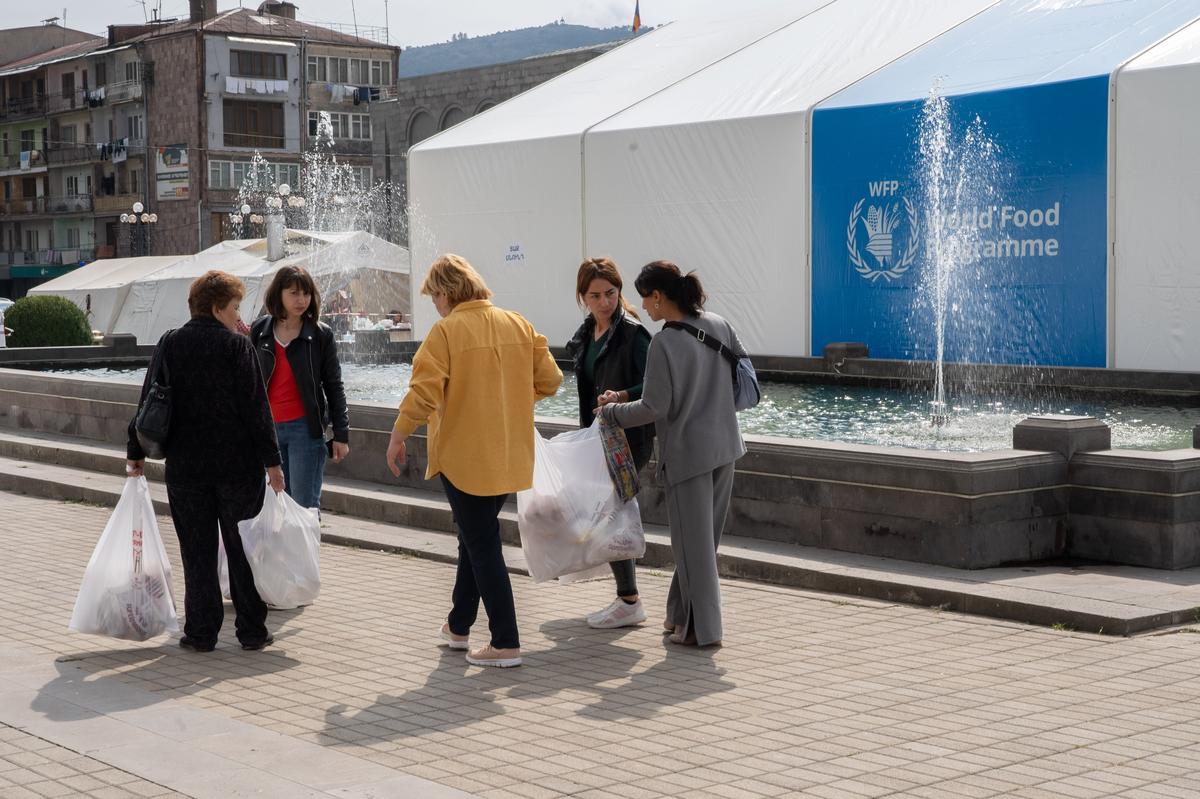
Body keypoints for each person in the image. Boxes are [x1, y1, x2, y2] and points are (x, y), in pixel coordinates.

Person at [386, 254, 561, 668]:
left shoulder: (446, 332)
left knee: (482, 545)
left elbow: (424, 392)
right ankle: (458, 626)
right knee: (473, 538)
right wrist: (508, 400)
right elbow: (551, 380)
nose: (435, 306)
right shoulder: (517, 323)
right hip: (508, 454)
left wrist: (398, 435)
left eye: (434, 298)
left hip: (464, 456)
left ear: (446, 292)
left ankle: (506, 641)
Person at [126, 270, 285, 653]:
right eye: (233, 307)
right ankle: (251, 631)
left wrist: (135, 454)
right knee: (241, 549)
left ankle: (200, 632)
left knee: (196, 552)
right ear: (216, 308)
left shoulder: (170, 343)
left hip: (186, 468)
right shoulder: (237, 347)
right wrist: (272, 462)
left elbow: (149, 400)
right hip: (236, 468)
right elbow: (256, 409)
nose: (237, 315)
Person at [597, 261, 746, 647]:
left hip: (688, 456)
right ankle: (678, 616)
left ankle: (703, 631)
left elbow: (653, 409)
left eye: (646, 300)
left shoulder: (664, 342)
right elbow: (742, 373)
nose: (643, 307)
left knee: (691, 547)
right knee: (703, 543)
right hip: (726, 447)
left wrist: (612, 412)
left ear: (659, 297)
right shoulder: (718, 324)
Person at [565, 257, 654, 629]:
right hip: (598, 436)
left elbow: (657, 386)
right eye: (595, 295)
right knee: (605, 512)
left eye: (611, 293)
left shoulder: (634, 334)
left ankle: (630, 600)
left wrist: (621, 396)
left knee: (611, 511)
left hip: (628, 436)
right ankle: (627, 598)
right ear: (583, 297)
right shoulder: (587, 334)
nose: (604, 302)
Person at [250, 265, 350, 510]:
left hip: (305, 430)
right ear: (279, 294)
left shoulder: (320, 335)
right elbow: (249, 383)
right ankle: (283, 551)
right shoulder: (260, 331)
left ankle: (306, 551)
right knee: (275, 506)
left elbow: (334, 385)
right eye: (294, 293)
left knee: (304, 507)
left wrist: (341, 434)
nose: (301, 300)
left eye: (306, 294)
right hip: (267, 431)